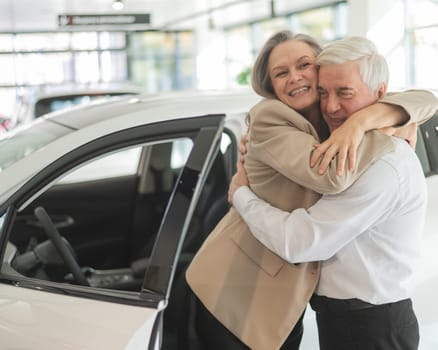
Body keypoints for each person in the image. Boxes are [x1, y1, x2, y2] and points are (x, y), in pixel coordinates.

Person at [186, 30, 438, 350]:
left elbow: (427, 100)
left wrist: (364, 123)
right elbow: (331, 174)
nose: (332, 105)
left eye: (304, 64)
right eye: (281, 72)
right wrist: (368, 125)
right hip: (240, 289)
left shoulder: (377, 157)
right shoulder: (276, 118)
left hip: (364, 318)